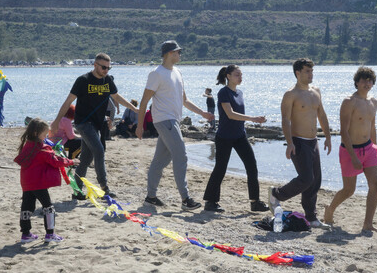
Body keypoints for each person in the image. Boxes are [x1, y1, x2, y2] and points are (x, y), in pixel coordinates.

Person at [135, 40, 213, 211]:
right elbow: (144, 101)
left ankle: (151, 197)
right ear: (169, 53)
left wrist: (202, 113)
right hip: (164, 120)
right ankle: (186, 199)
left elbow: (184, 100)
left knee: (159, 161)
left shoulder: (177, 72)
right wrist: (139, 126)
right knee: (181, 156)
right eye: (178, 52)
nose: (180, 54)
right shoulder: (157, 74)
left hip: (173, 121)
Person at [50, 53, 138, 199]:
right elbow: (68, 101)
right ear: (95, 65)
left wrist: (134, 109)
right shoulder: (83, 80)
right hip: (83, 122)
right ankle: (104, 188)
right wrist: (56, 121)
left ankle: (77, 191)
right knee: (99, 150)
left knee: (85, 158)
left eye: (109, 68)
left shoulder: (107, 80)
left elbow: (116, 97)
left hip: (97, 123)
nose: (106, 71)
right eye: (103, 67)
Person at [267, 58, 331, 229]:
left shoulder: (315, 91)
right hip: (298, 141)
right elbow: (286, 120)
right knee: (306, 178)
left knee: (315, 180)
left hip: (313, 141)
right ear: (298, 73)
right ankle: (276, 194)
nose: (311, 74)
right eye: (307, 71)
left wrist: (328, 137)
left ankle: (311, 218)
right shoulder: (291, 94)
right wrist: (289, 143)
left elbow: (322, 115)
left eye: (312, 71)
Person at [324, 67, 377, 236]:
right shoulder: (349, 101)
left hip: (369, 148)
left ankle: (368, 224)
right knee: (349, 190)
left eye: (370, 80)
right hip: (350, 150)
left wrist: (375, 148)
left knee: (376, 184)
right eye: (363, 80)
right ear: (357, 82)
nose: (367, 83)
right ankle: (330, 209)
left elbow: (372, 127)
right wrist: (353, 156)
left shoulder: (373, 102)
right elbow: (344, 131)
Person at [203, 65, 270, 213]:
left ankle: (255, 202)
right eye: (237, 75)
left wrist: (252, 120)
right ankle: (210, 202)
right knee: (220, 169)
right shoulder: (223, 92)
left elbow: (237, 115)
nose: (240, 77)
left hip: (240, 136)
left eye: (241, 74)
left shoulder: (239, 93)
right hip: (224, 137)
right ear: (228, 76)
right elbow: (230, 114)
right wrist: (253, 118)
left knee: (252, 166)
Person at [14, 118, 79, 243]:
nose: (46, 137)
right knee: (48, 207)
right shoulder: (42, 149)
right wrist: (71, 161)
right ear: (36, 134)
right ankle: (50, 234)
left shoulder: (27, 145)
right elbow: (55, 161)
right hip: (38, 183)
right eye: (44, 134)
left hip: (27, 183)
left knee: (26, 207)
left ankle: (25, 234)